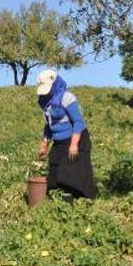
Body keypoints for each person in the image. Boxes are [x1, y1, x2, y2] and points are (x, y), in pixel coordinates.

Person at [36, 70, 96, 201]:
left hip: (76, 138)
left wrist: (74, 145)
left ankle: (79, 204)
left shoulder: (67, 98)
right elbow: (49, 125)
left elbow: (79, 122)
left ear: (55, 84)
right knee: (54, 170)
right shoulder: (45, 102)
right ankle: (56, 204)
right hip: (59, 141)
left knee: (70, 174)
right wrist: (44, 145)